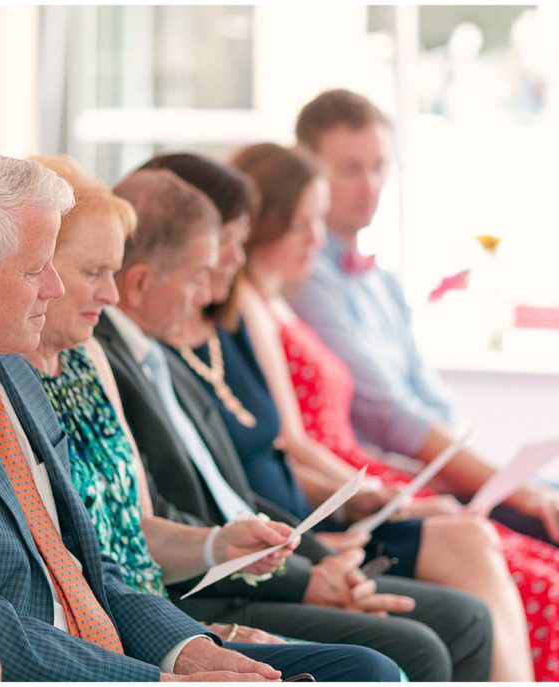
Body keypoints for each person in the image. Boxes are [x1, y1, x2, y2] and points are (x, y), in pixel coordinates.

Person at [0, 147, 359, 682]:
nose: (54, 288)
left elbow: (87, 558)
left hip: (104, 650)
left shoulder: (8, 362)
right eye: (36, 269)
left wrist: (187, 648)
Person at [151, 149, 559, 682]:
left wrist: (369, 503)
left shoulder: (230, 322)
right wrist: (330, 535)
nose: (315, 240)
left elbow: (402, 403)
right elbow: (302, 445)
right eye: (301, 225)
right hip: (303, 515)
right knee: (510, 567)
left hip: (325, 503)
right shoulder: (228, 319)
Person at [290, 88, 559, 681]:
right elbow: (391, 417)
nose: (368, 185)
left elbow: (432, 400)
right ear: (309, 169)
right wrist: (516, 491)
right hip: (397, 478)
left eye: (378, 167)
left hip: (443, 466)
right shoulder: (307, 278)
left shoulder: (381, 282)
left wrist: (509, 478)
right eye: (349, 169)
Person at [96, 167, 494, 681]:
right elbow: (165, 521)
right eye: (199, 275)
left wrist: (319, 558)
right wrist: (307, 575)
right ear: (142, 282)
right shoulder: (112, 361)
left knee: (463, 618)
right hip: (203, 591)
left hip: (258, 562)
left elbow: (233, 496)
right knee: (425, 643)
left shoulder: (159, 355)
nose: (205, 295)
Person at [20, 155, 403, 681]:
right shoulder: (9, 381)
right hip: (132, 632)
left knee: (378, 665)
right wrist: (194, 636)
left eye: (111, 272)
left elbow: (134, 527)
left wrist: (218, 545)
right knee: (372, 667)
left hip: (161, 613)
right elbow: (74, 574)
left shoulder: (91, 359)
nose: (109, 295)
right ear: (35, 269)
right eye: (94, 273)